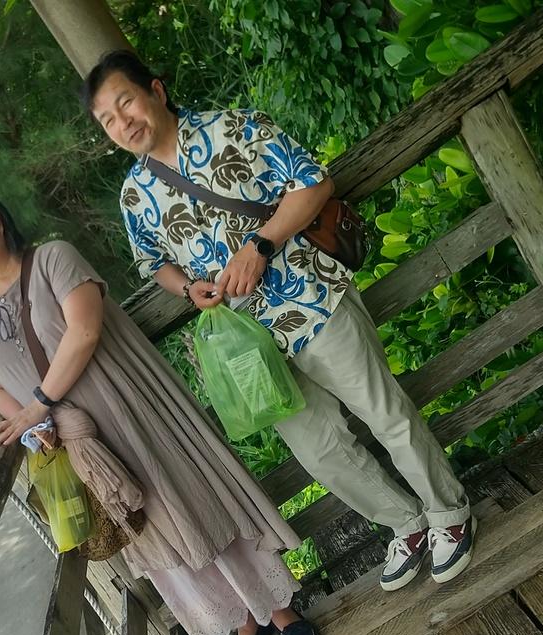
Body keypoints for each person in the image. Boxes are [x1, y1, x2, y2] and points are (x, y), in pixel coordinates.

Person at [82, 50, 477, 596]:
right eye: (107, 120)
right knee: (320, 451)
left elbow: (313, 184)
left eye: (125, 103)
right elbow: (154, 262)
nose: (122, 123)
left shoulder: (232, 127)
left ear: (156, 91)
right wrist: (187, 288)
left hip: (312, 298)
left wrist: (260, 246)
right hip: (250, 345)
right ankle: (406, 523)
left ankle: (449, 512)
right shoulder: (133, 195)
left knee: (384, 413)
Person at [0, 183, 320, 635]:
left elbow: (84, 332)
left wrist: (37, 407)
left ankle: (278, 609)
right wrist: (34, 424)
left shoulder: (53, 258)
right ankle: (246, 623)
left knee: (192, 503)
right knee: (152, 532)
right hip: (82, 445)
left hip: (131, 411)